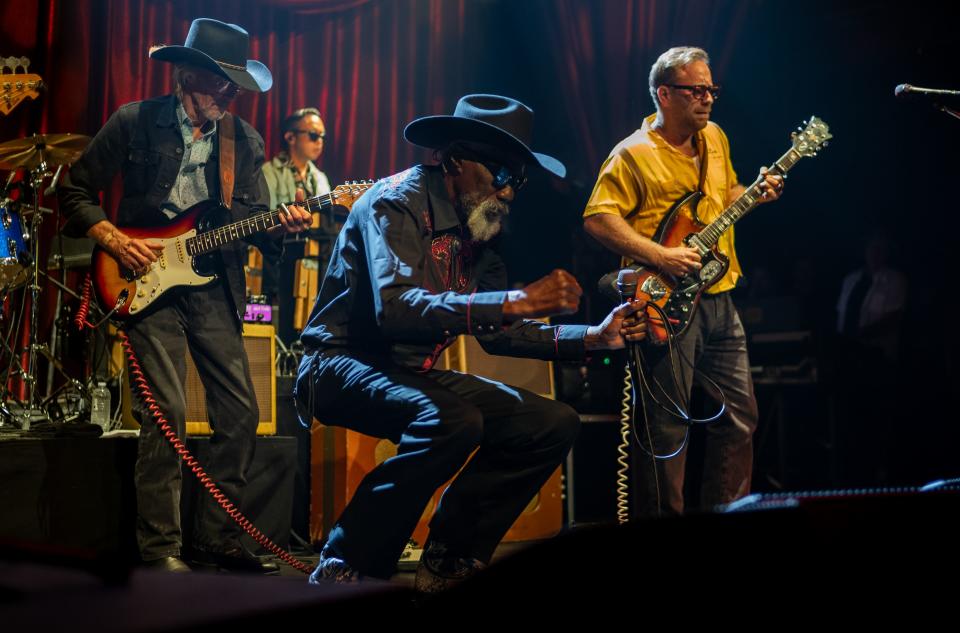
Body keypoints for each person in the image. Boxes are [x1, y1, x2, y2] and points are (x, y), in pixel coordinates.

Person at [294, 94, 646, 590]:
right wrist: (513, 301)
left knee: (550, 421)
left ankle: (450, 556)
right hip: (337, 364)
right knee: (454, 419)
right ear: (455, 159)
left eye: (518, 180)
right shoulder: (394, 202)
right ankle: (345, 558)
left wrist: (591, 335)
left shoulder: (480, 230)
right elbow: (394, 308)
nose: (509, 193)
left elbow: (501, 332)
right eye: (502, 174)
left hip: (410, 374)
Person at [58, 18, 312, 572]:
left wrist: (276, 227)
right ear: (189, 75)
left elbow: (245, 218)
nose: (228, 94)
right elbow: (73, 190)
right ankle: (160, 550)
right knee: (167, 410)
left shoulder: (242, 141)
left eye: (233, 85)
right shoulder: (135, 122)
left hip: (211, 284)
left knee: (242, 412)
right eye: (221, 82)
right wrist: (114, 239)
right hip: (143, 278)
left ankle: (216, 539)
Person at [582, 46, 784, 517]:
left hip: (720, 297)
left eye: (711, 89)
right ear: (664, 94)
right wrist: (660, 256)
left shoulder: (716, 137)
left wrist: (755, 194)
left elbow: (721, 202)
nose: (708, 98)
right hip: (666, 304)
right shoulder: (631, 154)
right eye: (696, 90)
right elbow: (596, 219)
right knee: (667, 430)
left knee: (739, 419)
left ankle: (728, 520)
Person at [261, 107, 334, 344]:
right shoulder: (269, 172)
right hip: (279, 266)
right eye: (313, 135)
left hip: (317, 267)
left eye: (322, 136)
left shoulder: (321, 178)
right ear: (291, 137)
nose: (319, 142)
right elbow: (263, 219)